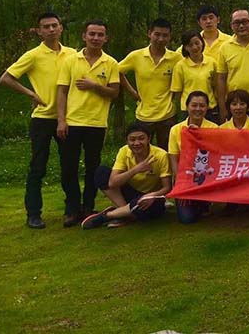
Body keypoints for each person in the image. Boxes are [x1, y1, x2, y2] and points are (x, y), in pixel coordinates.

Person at [0, 12, 75, 229]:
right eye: (46, 26)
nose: (51, 29)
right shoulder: (33, 55)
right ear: (39, 31)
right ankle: (33, 214)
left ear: (61, 28)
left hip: (67, 118)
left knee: (69, 165)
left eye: (54, 25)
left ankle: (72, 210)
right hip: (42, 119)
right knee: (38, 167)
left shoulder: (72, 54)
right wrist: (31, 94)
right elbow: (6, 78)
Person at [56, 20, 120, 227]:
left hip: (96, 123)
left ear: (106, 38)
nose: (95, 38)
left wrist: (95, 86)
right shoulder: (70, 61)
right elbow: (62, 92)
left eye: (100, 35)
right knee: (69, 167)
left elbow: (114, 93)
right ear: (84, 36)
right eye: (92, 34)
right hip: (72, 122)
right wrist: (61, 120)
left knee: (93, 167)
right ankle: (72, 208)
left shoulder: (111, 63)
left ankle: (88, 207)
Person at [81, 123, 171, 229]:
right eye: (132, 139)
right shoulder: (124, 151)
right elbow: (112, 182)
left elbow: (167, 187)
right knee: (101, 172)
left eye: (141, 138)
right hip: (129, 192)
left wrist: (152, 195)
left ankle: (108, 216)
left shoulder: (161, 155)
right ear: (127, 141)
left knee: (155, 208)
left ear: (148, 139)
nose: (136, 143)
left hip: (150, 196)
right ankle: (125, 212)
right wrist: (136, 170)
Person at [118, 18, 181, 149]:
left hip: (167, 115)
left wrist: (175, 97)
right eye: (157, 34)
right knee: (140, 151)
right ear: (149, 34)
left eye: (165, 35)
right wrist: (133, 93)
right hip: (144, 115)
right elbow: (117, 72)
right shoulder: (136, 56)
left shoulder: (176, 58)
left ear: (170, 37)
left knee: (168, 152)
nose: (160, 39)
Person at [168, 90, 219, 224]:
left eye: (202, 106)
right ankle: (196, 203)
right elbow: (173, 159)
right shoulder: (176, 129)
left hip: (206, 178)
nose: (198, 109)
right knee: (187, 219)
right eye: (194, 105)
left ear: (207, 108)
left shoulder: (214, 128)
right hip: (184, 178)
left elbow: (215, 158)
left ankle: (204, 202)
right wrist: (181, 185)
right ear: (187, 106)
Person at [171, 29, 219, 122]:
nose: (195, 47)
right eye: (190, 45)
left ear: (202, 42)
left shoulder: (212, 62)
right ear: (185, 47)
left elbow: (215, 86)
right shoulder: (180, 66)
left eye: (197, 43)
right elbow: (178, 92)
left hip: (209, 108)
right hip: (189, 110)